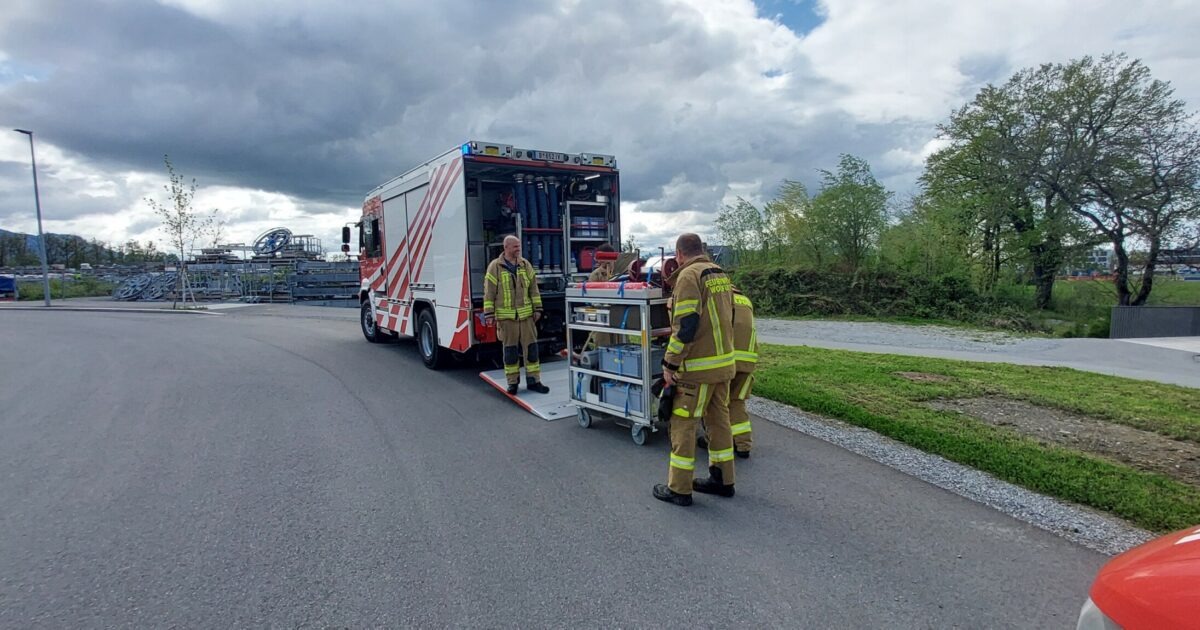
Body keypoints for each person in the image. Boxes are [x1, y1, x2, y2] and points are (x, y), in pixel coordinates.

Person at [653, 233, 737, 507]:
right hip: (723, 364)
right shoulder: (719, 273)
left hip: (697, 370)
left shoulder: (688, 277)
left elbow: (686, 326)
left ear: (678, 254)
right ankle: (723, 480)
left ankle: (679, 488)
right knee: (718, 421)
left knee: (683, 424)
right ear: (700, 249)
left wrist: (670, 363)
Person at [483, 235, 549, 395]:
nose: (518, 249)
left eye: (519, 246)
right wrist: (489, 314)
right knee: (510, 352)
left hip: (527, 318)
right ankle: (513, 383)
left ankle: (534, 381)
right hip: (507, 320)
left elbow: (534, 289)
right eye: (515, 247)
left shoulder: (525, 265)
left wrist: (538, 309)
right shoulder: (495, 267)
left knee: (532, 350)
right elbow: (489, 292)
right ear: (506, 247)